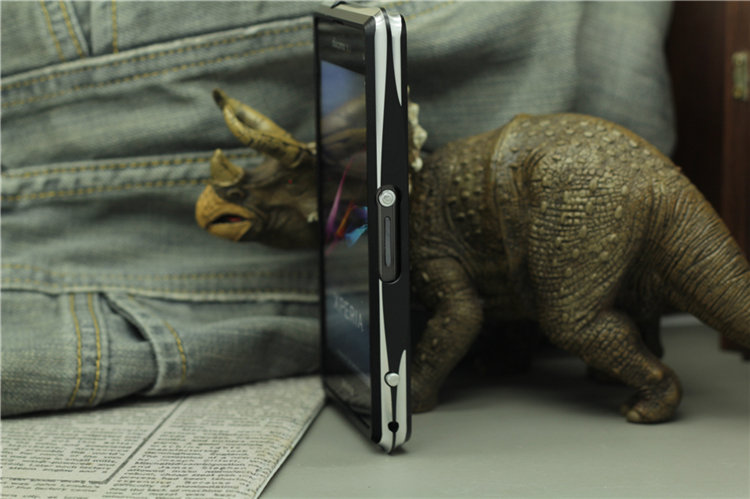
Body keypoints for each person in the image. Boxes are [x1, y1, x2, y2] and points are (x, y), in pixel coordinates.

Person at [1, 1, 675, 416]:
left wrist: (421, 383)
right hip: (594, 187)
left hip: (588, 177)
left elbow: (461, 309)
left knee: (570, 308)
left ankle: (649, 376)